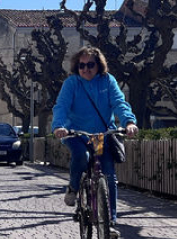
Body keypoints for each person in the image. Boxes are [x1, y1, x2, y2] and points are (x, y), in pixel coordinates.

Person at [52, 46, 138, 224]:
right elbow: (62, 106)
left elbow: (119, 103)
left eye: (90, 64)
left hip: (101, 136)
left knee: (109, 175)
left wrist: (129, 122)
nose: (86, 69)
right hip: (76, 133)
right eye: (82, 65)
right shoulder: (72, 83)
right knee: (81, 156)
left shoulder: (107, 81)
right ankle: (74, 188)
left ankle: (110, 220)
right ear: (77, 67)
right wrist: (59, 126)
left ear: (99, 65)